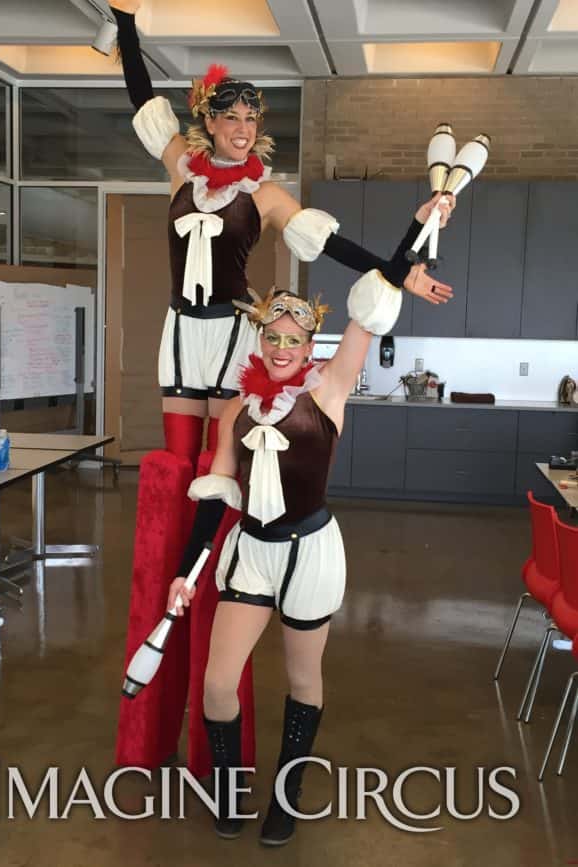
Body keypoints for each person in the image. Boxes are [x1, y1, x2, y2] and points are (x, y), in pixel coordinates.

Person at [167, 263, 453, 845]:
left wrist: (401, 266)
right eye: (272, 336)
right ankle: (228, 791)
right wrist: (184, 571)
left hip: (309, 552)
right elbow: (219, 489)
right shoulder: (235, 409)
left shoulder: (329, 388)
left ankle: (286, 796)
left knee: (303, 679)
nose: (280, 347)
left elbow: (365, 316)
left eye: (293, 339)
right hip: (252, 550)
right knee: (218, 684)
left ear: (308, 344)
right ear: (259, 338)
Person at [110, 1, 453, 467]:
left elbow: (333, 246)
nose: (243, 129)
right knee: (177, 458)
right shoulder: (181, 170)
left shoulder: (265, 194)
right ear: (210, 123)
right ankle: (173, 543)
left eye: (251, 119)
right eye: (232, 117)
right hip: (179, 330)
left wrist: (403, 269)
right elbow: (142, 96)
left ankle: (215, 542)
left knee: (219, 459)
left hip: (230, 331)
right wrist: (124, 19)